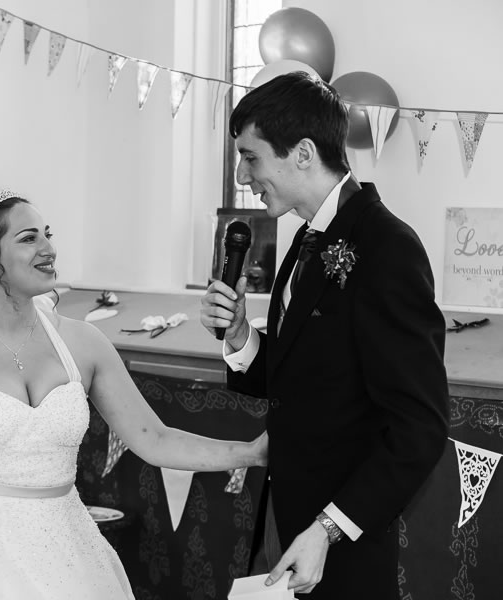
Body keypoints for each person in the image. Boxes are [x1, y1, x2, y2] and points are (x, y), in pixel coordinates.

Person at [0, 191, 268, 599]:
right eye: (28, 238)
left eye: (47, 234)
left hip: (65, 554)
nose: (48, 248)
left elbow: (156, 440)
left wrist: (251, 453)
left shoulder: (85, 344)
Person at [200, 72, 449, 599]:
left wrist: (328, 529)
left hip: (342, 543)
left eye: (250, 157)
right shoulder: (307, 240)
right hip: (284, 516)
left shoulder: (386, 246)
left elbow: (420, 428)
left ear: (304, 153)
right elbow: (301, 377)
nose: (243, 176)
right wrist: (241, 336)